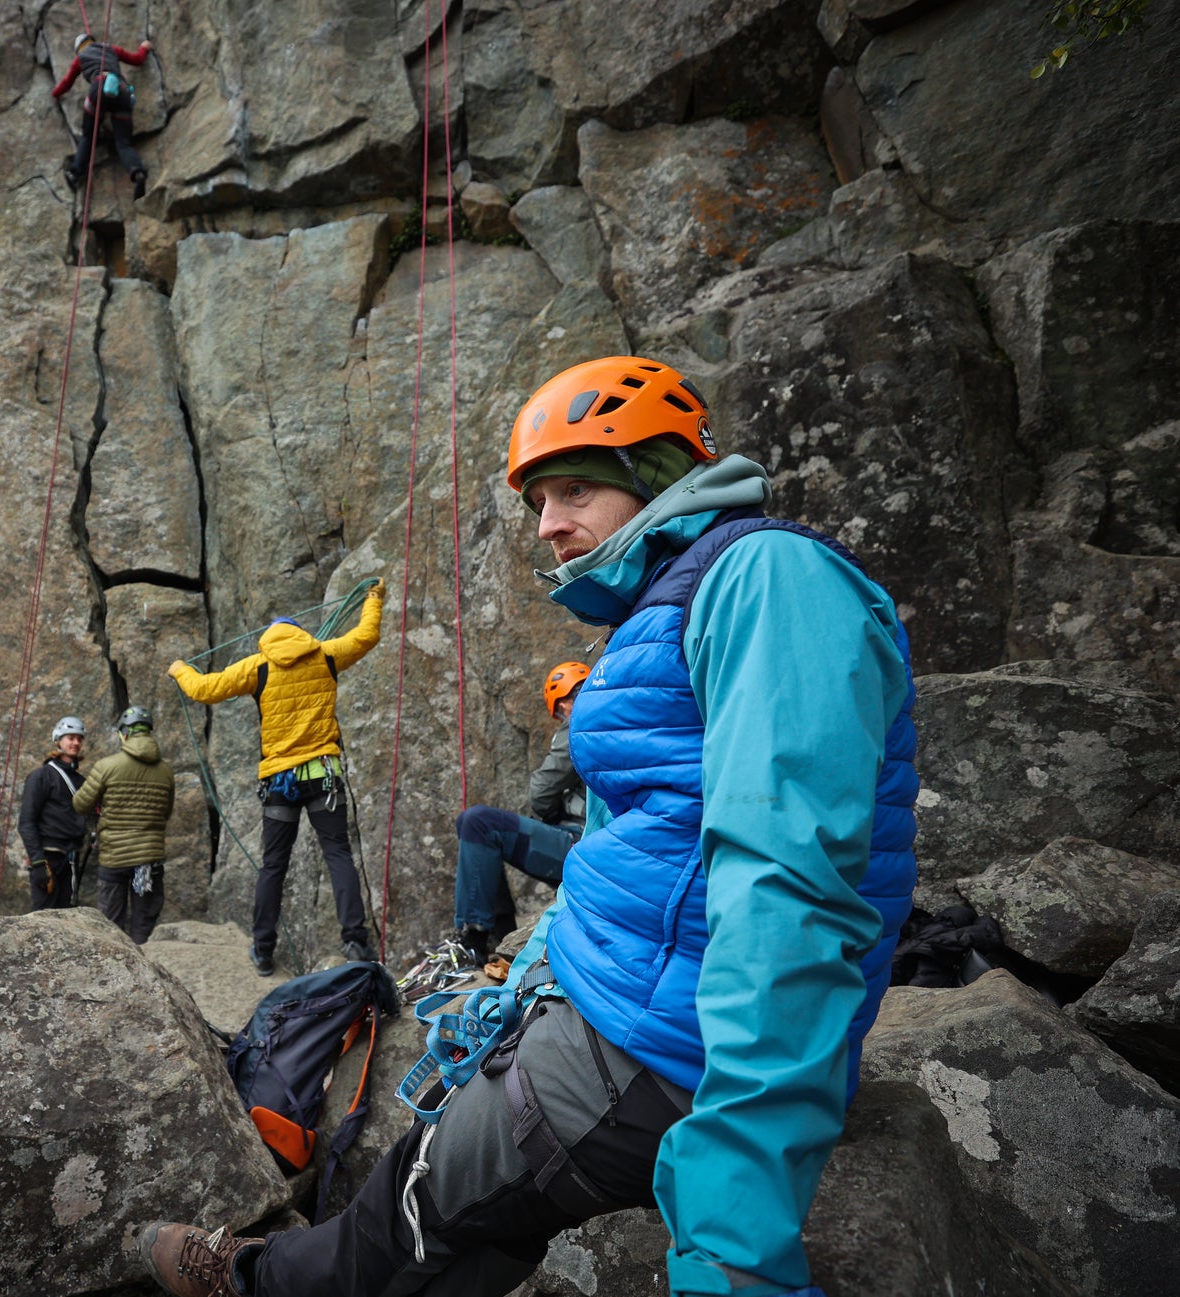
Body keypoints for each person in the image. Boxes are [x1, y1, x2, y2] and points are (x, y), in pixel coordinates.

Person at [140, 355, 918, 1297]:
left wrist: (734, 1232)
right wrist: (545, 954)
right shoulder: (690, 594)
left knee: (412, 1195)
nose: (548, 524)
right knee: (470, 1227)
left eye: (576, 488)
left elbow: (787, 885)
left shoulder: (767, 578)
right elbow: (650, 838)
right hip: (633, 1005)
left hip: (656, 1047)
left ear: (661, 471)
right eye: (539, 500)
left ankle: (254, 1280)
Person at [168, 581, 386, 973]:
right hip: (323, 775)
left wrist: (180, 669)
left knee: (274, 865)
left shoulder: (259, 666)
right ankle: (355, 942)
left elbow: (203, 688)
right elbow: (366, 636)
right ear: (300, 635)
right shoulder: (325, 655)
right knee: (338, 855)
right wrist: (373, 600)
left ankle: (263, 948)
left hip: (280, 782)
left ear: (267, 640)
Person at [447, 661, 590, 962]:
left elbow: (541, 792)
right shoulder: (616, 722)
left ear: (564, 702)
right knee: (481, 828)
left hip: (581, 843)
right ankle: (501, 937)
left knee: (478, 823)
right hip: (593, 842)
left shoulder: (581, 721)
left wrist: (552, 814)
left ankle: (475, 936)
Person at [72, 705, 176, 943]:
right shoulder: (166, 772)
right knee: (144, 924)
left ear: (124, 733)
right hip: (149, 860)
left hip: (114, 858)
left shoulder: (107, 766)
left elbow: (80, 805)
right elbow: (166, 812)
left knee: (110, 923)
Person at [50, 32, 152, 198]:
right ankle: (137, 173)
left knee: (89, 136)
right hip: (122, 92)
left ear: (78, 49)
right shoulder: (111, 49)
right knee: (124, 143)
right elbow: (137, 60)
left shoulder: (80, 58)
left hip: (99, 89)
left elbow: (66, 83)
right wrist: (144, 48)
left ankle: (75, 173)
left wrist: (54, 94)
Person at [18, 715, 92, 910]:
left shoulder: (81, 781)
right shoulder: (41, 777)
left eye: (79, 739)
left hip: (70, 858)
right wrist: (38, 861)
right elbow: (26, 822)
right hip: (47, 857)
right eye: (70, 738)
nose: (76, 743)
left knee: (67, 915)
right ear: (59, 740)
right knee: (43, 917)